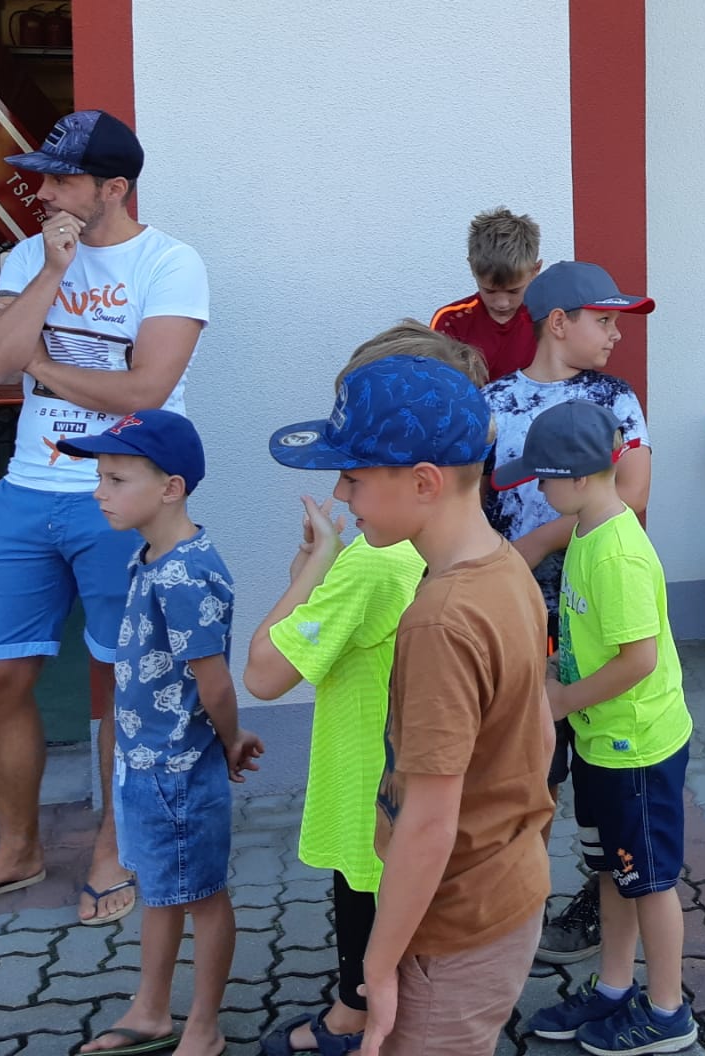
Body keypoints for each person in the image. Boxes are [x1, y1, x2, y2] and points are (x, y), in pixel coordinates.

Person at [0, 110, 209, 928]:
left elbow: (144, 392)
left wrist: (41, 365)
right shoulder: (29, 255)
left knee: (126, 681)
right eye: (41, 176)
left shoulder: (171, 264)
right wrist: (52, 272)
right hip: (26, 494)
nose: (41, 191)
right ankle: (17, 850)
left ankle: (115, 847)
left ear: (113, 188)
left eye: (61, 179)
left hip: (123, 496)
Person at [271, 355, 554, 1055]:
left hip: (449, 930)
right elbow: (538, 738)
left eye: (354, 477)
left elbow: (428, 823)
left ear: (424, 482)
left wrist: (376, 965)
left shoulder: (438, 619)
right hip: (505, 890)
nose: (341, 494)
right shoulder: (506, 568)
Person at [247, 326, 487, 1056]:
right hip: (420, 784)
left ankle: (356, 1015)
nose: (340, 490)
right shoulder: (460, 549)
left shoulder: (369, 564)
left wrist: (318, 561)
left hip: (370, 786)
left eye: (353, 471)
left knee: (364, 903)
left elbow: (264, 671)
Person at [58, 410, 261, 1056]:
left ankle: (204, 1026)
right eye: (100, 477)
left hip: (178, 771)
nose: (100, 492)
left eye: (116, 479)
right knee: (163, 891)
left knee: (203, 897)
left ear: (171, 488)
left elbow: (214, 682)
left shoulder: (184, 575)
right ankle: (150, 1010)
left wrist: (231, 739)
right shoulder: (149, 556)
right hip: (145, 765)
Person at [512, 402, 699, 1055]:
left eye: (544, 478)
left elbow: (638, 659)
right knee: (614, 873)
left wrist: (560, 701)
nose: (539, 490)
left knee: (649, 882)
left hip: (636, 748)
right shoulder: (584, 532)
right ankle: (614, 987)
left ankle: (668, 1011)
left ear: (579, 475)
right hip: (601, 741)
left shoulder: (617, 552)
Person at [482, 260, 655, 964]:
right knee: (532, 759)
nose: (616, 334)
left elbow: (632, 495)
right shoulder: (493, 402)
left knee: (598, 759)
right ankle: (518, 900)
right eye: (603, 320)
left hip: (590, 602)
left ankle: (599, 895)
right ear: (559, 323)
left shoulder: (616, 399)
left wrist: (536, 544)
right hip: (517, 607)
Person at [430, 207, 544, 383]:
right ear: (472, 268)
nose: (502, 303)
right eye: (489, 291)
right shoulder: (451, 320)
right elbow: (438, 383)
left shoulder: (547, 318)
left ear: (535, 270)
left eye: (513, 291)